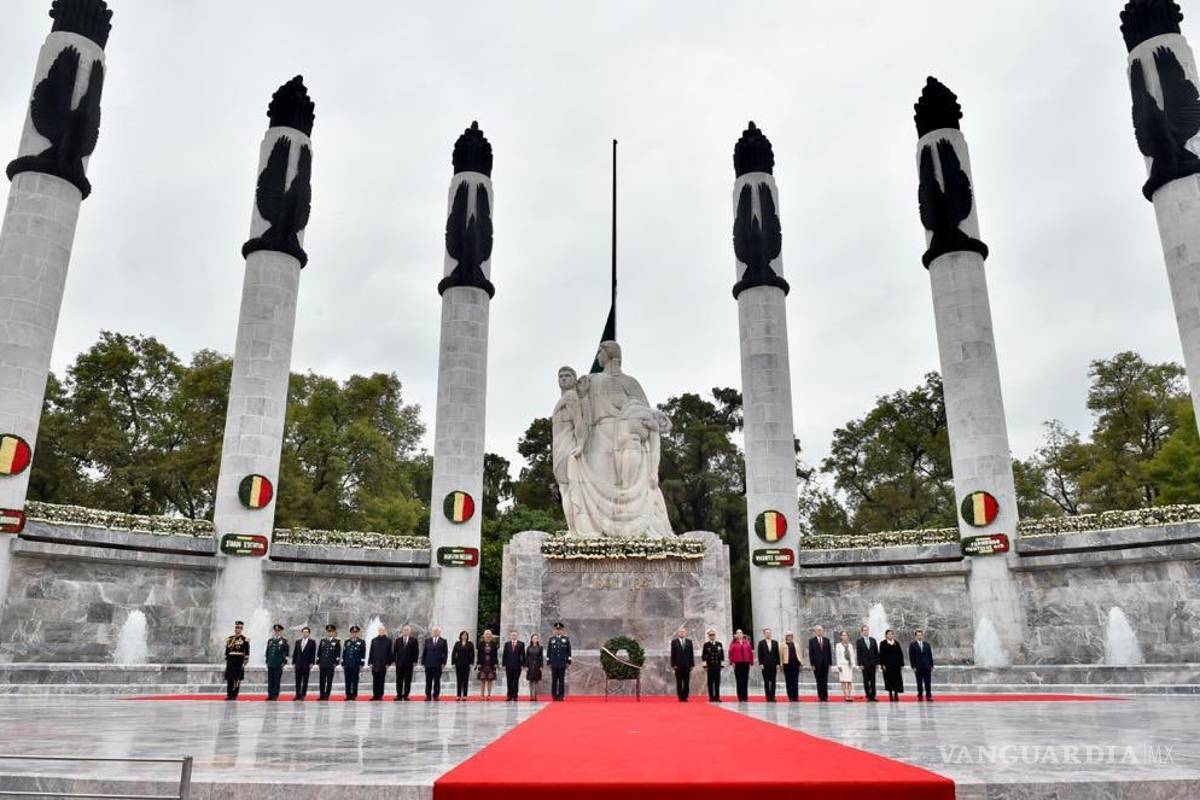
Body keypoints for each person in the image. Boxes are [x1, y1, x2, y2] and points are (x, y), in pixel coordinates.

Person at [223, 620, 250, 700]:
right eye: (236, 628)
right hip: (231, 660)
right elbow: (227, 650)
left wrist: (245, 660)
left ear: (241, 629)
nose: (237, 629)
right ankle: (229, 694)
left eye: (239, 628)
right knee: (229, 678)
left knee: (237, 678)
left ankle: (234, 695)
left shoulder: (245, 639)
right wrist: (226, 657)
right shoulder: (230, 639)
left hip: (239, 660)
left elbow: (247, 651)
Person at [393, 624, 420, 701]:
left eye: (407, 630)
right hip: (399, 664)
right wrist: (394, 661)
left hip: (409, 663)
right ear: (402, 631)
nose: (406, 631)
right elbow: (395, 652)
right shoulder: (398, 640)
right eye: (404, 630)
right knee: (399, 680)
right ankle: (399, 695)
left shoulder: (414, 640)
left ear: (410, 631)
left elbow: (416, 652)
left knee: (408, 680)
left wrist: (415, 661)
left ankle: (406, 695)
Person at [547, 621, 572, 701]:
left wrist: (568, 661)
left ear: (562, 630)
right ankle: (554, 695)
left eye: (559, 629)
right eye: (557, 629)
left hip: (562, 663)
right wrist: (548, 661)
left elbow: (569, 651)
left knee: (561, 680)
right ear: (554, 630)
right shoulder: (551, 639)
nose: (558, 631)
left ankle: (561, 695)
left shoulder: (566, 639)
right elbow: (549, 651)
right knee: (554, 680)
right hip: (554, 663)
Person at [422, 625, 449, 700]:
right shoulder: (427, 640)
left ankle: (436, 695)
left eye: (436, 631)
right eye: (434, 631)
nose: (435, 632)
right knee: (428, 681)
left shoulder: (443, 641)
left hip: (438, 664)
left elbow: (445, 653)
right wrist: (423, 662)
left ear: (439, 632)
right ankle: (428, 695)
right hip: (428, 663)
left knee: (437, 681)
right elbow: (425, 652)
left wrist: (444, 663)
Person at [367, 623, 392, 701]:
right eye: (380, 630)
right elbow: (371, 652)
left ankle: (380, 695)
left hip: (383, 664)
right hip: (375, 663)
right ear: (378, 631)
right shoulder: (374, 640)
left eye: (382, 630)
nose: (381, 631)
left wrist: (388, 663)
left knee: (381, 680)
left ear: (384, 631)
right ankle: (375, 695)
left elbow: (389, 653)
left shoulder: (388, 641)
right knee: (375, 680)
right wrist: (370, 662)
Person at [316, 624, 341, 701]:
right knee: (322, 680)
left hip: (330, 664)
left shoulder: (336, 641)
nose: (330, 633)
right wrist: (318, 661)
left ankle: (327, 695)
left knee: (329, 681)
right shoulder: (323, 641)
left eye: (331, 631)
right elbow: (319, 652)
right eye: (328, 631)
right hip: (323, 663)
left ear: (334, 632)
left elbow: (338, 653)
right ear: (326, 632)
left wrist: (336, 663)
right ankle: (321, 695)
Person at [264, 623, 288, 701]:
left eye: (278, 631)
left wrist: (283, 662)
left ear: (281, 632)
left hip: (278, 663)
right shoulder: (270, 640)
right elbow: (268, 651)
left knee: (276, 680)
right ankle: (270, 694)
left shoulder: (284, 641)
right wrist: (267, 660)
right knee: (270, 680)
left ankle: (275, 694)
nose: (277, 632)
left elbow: (286, 653)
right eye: (276, 631)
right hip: (271, 663)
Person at [879, 629, 905, 702]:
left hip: (896, 665)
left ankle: (896, 694)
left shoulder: (896, 643)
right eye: (888, 634)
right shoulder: (883, 643)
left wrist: (901, 664)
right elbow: (881, 655)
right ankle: (890, 694)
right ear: (886, 635)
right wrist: (882, 664)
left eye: (891, 634)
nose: (890, 635)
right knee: (889, 680)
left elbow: (900, 654)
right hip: (887, 666)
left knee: (896, 680)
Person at [728, 629, 754, 702]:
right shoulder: (733, 643)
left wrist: (751, 661)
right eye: (738, 633)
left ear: (743, 635)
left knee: (745, 680)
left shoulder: (747, 643)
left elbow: (750, 652)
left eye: (740, 633)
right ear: (736, 635)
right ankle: (740, 697)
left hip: (746, 663)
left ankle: (745, 697)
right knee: (739, 680)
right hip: (737, 663)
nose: (739, 634)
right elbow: (730, 653)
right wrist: (732, 662)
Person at [808, 625, 832, 702]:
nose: (820, 631)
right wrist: (812, 664)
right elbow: (811, 653)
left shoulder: (827, 640)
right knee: (819, 680)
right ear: (815, 631)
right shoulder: (812, 641)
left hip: (825, 663)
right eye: (818, 630)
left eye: (821, 630)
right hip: (816, 664)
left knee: (825, 680)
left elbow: (829, 652)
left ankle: (825, 696)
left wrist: (830, 663)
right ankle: (820, 696)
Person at [669, 628, 694, 702]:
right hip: (678, 666)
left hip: (687, 665)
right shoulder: (674, 642)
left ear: (685, 633)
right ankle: (680, 696)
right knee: (679, 682)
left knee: (686, 682)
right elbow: (672, 654)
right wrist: (673, 664)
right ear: (678, 633)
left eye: (683, 632)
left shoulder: (689, 642)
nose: (682, 633)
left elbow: (691, 654)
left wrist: (692, 664)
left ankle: (685, 697)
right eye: (680, 632)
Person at [909, 629, 935, 701]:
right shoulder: (912, 645)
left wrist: (931, 665)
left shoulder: (927, 644)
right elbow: (911, 656)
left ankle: (928, 696)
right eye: (918, 635)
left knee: (927, 682)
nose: (919, 636)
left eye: (920, 635)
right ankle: (920, 696)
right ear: (915, 636)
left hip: (927, 666)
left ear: (922, 636)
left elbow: (930, 655)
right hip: (918, 667)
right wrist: (913, 666)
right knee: (919, 682)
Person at [856, 624, 879, 702]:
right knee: (866, 680)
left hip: (873, 664)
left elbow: (876, 652)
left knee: (873, 680)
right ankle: (868, 696)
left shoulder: (873, 640)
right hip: (864, 664)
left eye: (867, 630)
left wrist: (877, 663)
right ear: (862, 632)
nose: (866, 632)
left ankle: (873, 696)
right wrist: (860, 664)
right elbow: (858, 653)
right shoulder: (859, 641)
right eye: (864, 630)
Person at [342, 625, 365, 701]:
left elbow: (363, 653)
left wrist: (362, 663)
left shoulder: (361, 642)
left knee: (355, 680)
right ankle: (348, 695)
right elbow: (344, 653)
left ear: (358, 633)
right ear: (351, 633)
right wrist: (343, 662)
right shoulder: (347, 642)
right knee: (347, 680)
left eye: (355, 632)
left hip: (356, 664)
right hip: (347, 664)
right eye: (352, 632)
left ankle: (354, 695)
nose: (354, 634)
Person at [292, 626, 316, 701]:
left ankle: (303, 694)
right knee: (297, 680)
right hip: (298, 663)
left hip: (306, 664)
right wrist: (294, 662)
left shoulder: (312, 642)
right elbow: (295, 652)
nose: (305, 633)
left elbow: (313, 653)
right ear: (302, 633)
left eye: (306, 632)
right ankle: (297, 694)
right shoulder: (298, 641)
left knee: (305, 680)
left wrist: (312, 662)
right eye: (304, 632)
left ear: (309, 633)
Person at [700, 628, 724, 702]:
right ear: (708, 636)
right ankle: (711, 697)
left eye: (713, 635)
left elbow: (722, 655)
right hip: (710, 666)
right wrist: (705, 665)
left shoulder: (719, 644)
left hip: (717, 665)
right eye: (710, 635)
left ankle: (717, 697)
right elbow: (703, 656)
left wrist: (722, 665)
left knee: (717, 682)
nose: (712, 636)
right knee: (710, 682)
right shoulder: (706, 645)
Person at [451, 630, 475, 701]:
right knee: (459, 680)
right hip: (458, 664)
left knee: (465, 680)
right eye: (463, 635)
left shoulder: (470, 644)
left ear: (467, 637)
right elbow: (453, 653)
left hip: (467, 664)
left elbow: (472, 654)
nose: (464, 636)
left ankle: (464, 695)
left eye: (465, 635)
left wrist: (471, 663)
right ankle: (458, 695)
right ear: (460, 636)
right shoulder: (457, 643)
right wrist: (453, 663)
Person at [757, 628, 780, 702]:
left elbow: (777, 654)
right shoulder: (761, 643)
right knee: (766, 681)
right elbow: (759, 654)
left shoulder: (775, 642)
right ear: (764, 634)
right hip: (765, 665)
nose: (768, 634)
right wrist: (760, 663)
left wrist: (778, 664)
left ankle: (773, 697)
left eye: (769, 632)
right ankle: (768, 697)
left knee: (773, 681)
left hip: (773, 665)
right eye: (766, 633)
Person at [502, 630, 525, 702]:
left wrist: (523, 664)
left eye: (515, 635)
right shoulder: (507, 644)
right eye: (512, 635)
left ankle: (515, 695)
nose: (514, 636)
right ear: (510, 636)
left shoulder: (521, 644)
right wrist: (504, 664)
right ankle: (509, 695)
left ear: (517, 635)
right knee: (509, 681)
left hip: (517, 665)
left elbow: (523, 655)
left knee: (516, 681)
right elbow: (504, 655)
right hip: (509, 666)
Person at [835, 631, 858, 702]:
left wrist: (854, 665)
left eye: (846, 635)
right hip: (842, 665)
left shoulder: (850, 645)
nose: (844, 637)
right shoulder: (838, 645)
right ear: (840, 637)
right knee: (843, 681)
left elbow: (852, 656)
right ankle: (845, 695)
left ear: (847, 636)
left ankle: (849, 695)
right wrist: (838, 665)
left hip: (849, 665)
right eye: (843, 635)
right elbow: (838, 656)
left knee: (849, 681)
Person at [477, 630, 499, 700]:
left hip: (491, 664)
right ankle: (482, 695)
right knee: (483, 680)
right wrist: (478, 663)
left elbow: (496, 654)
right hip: (483, 663)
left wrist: (496, 663)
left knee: (490, 680)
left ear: (491, 636)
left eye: (489, 634)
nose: (488, 635)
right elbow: (479, 655)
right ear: (484, 635)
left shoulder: (493, 644)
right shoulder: (481, 644)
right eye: (486, 634)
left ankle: (489, 695)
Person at [780, 632, 802, 702]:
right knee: (788, 681)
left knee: (795, 680)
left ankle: (796, 696)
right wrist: (781, 665)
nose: (789, 637)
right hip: (787, 664)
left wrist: (801, 663)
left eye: (791, 636)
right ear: (786, 637)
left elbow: (799, 654)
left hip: (795, 664)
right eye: (788, 636)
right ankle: (790, 697)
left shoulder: (796, 644)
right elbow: (780, 655)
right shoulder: (782, 645)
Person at [525, 633, 544, 701]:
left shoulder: (540, 647)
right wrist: (526, 666)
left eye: (536, 638)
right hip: (530, 666)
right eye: (533, 638)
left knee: (536, 681)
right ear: (531, 639)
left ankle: (535, 695)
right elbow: (526, 657)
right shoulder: (528, 648)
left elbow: (541, 657)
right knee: (531, 681)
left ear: (537, 639)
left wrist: (541, 666)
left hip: (537, 665)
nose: (535, 639)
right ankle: (531, 695)